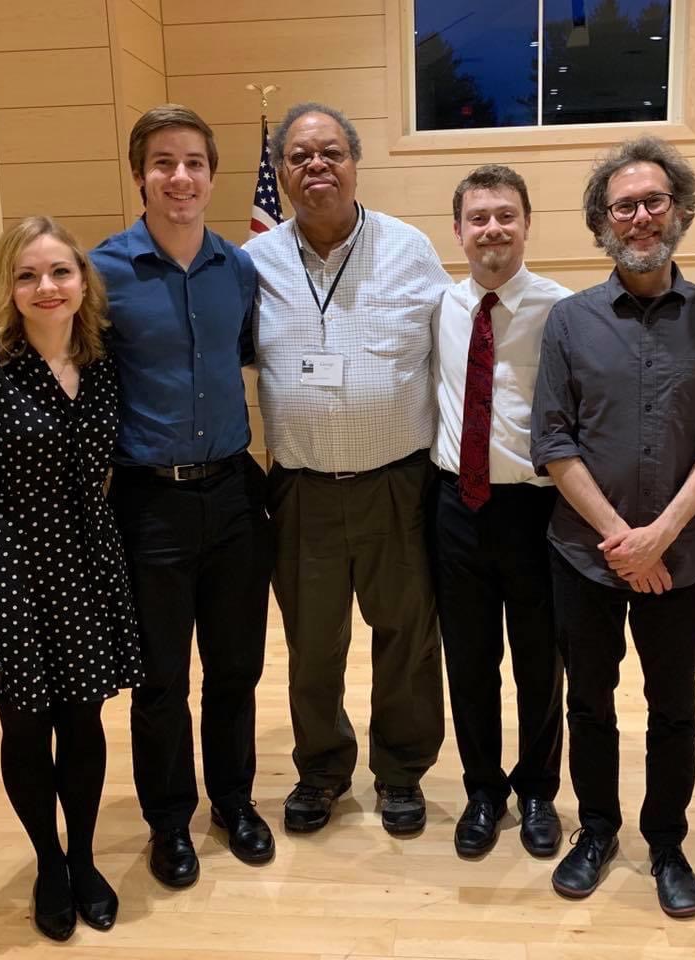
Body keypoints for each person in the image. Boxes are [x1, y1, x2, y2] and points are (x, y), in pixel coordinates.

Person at [531, 137, 695, 915]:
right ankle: (596, 829)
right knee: (588, 699)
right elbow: (552, 441)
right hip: (582, 554)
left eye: (654, 201)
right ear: (601, 222)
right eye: (624, 205)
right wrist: (625, 539)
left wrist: (660, 536)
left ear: (680, 211)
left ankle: (666, 843)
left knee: (673, 705)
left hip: (679, 556)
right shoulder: (569, 320)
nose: (641, 216)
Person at [244, 101, 447, 837]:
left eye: (331, 152)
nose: (317, 166)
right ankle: (322, 770)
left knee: (406, 637)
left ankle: (401, 772)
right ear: (281, 173)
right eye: (299, 156)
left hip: (398, 483)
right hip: (301, 489)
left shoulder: (410, 250)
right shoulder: (254, 263)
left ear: (356, 163)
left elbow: (451, 351)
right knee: (312, 643)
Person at [91, 105, 274, 888]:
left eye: (194, 162)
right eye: (163, 162)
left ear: (211, 174)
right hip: (149, 502)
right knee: (162, 678)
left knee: (236, 668)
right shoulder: (102, 274)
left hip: (233, 493)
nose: (180, 177)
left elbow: (242, 357)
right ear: (140, 174)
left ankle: (233, 800)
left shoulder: (239, 269)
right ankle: (169, 819)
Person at [0, 217, 142, 940]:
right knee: (26, 728)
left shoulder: (101, 365)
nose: (46, 287)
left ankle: (86, 857)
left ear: (82, 282)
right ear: (7, 287)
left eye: (60, 272)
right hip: (8, 571)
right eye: (28, 275)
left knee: (85, 720)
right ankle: (48, 863)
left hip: (86, 560)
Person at [431, 164, 568, 859]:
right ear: (457, 231)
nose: (492, 229)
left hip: (538, 510)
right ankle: (483, 789)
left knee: (541, 663)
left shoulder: (564, 310)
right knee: (470, 660)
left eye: (505, 215)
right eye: (478, 217)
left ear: (526, 223)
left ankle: (540, 788)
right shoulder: (438, 307)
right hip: (457, 505)